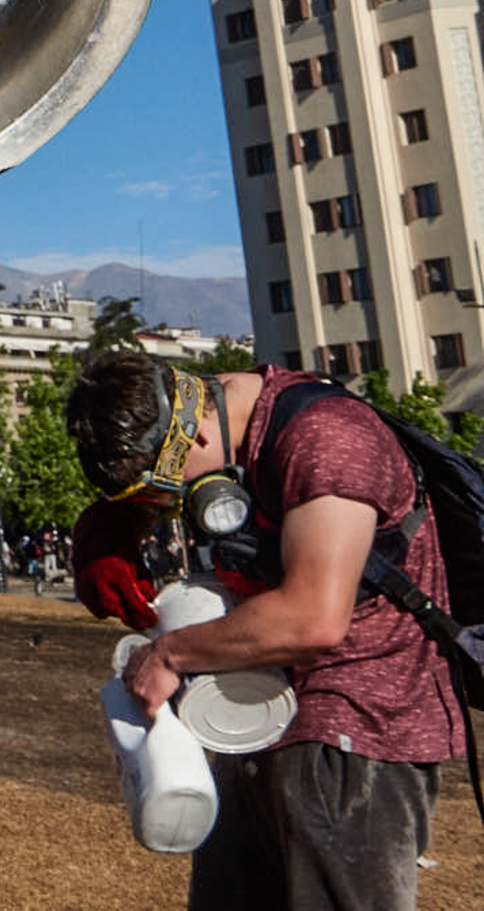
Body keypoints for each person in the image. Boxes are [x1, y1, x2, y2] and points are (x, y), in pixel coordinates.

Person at [68, 351, 462, 910]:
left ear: (193, 437)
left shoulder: (327, 438)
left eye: (158, 494)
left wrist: (170, 655)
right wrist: (115, 522)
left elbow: (313, 616)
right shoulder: (222, 424)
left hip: (354, 731)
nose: (166, 509)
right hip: (255, 711)